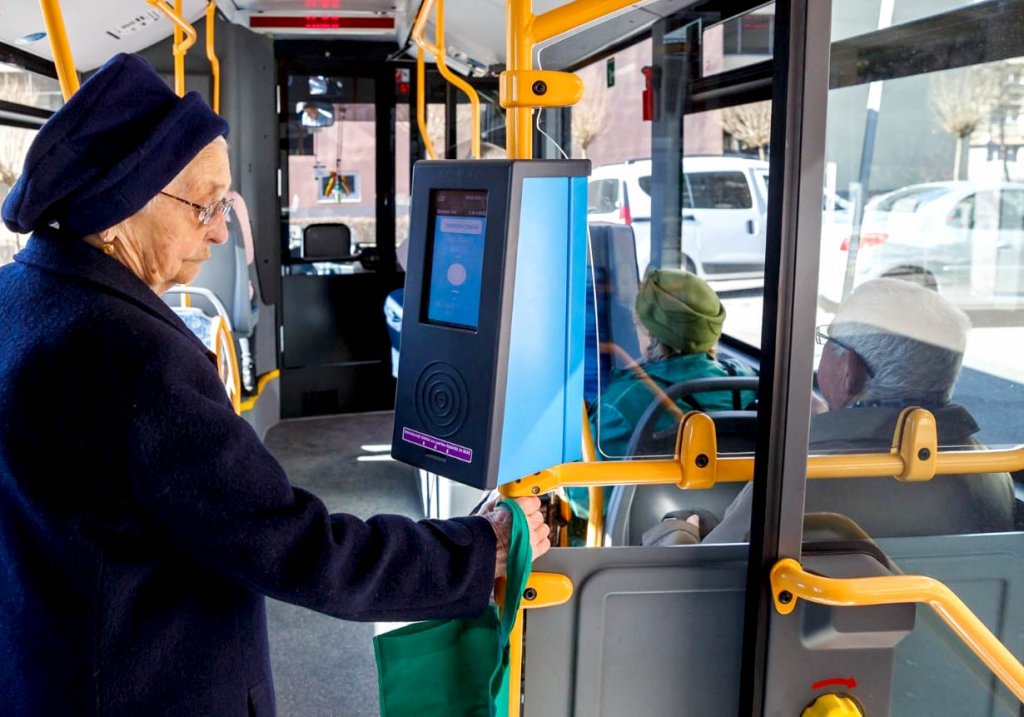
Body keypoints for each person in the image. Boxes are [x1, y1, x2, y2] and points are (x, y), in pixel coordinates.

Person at [0, 53, 549, 716]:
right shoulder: (138, 360)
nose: (222, 229)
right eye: (202, 206)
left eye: (222, 203)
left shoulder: (19, 297)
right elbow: (297, 547)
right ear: (116, 211)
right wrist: (474, 550)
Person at [704, 277, 1015, 543]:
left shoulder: (798, 481)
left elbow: (711, 577)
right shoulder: (991, 470)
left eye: (827, 339)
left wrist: (682, 525)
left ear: (849, 370)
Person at [591, 267, 756, 459]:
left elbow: (582, 487)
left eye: (637, 324)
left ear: (650, 334)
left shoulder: (619, 406)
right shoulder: (745, 379)